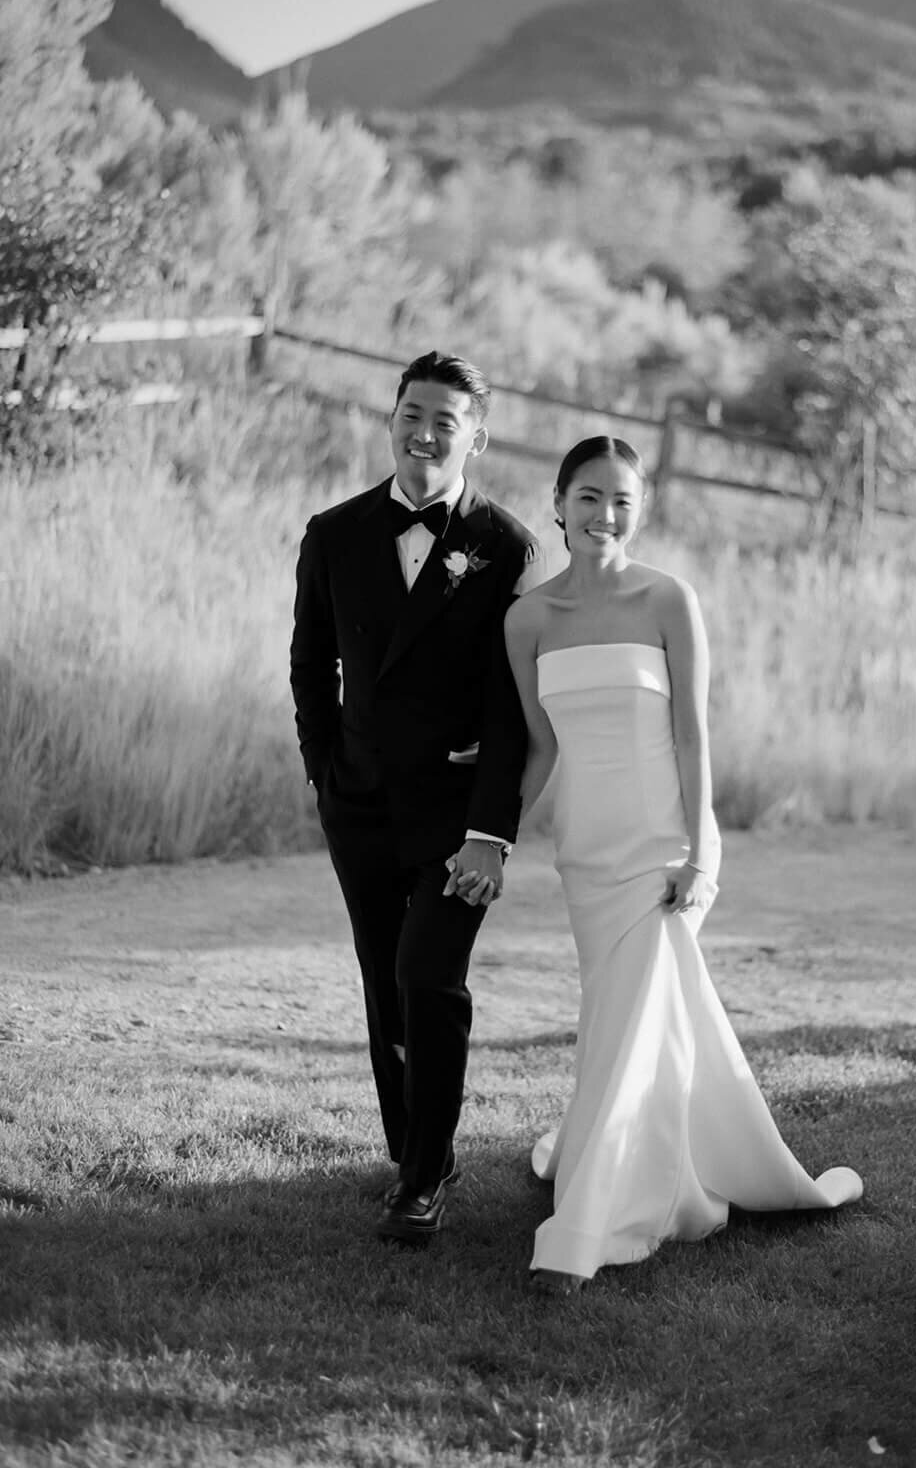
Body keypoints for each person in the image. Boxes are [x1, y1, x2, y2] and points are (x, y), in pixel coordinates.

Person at [503, 436, 863, 1292]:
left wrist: (700, 850)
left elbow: (695, 735)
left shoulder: (669, 599)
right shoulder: (527, 620)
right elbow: (541, 745)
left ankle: (585, 1230)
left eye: (624, 501)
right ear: (559, 502)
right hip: (586, 852)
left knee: (636, 1019)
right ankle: (659, 1169)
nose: (605, 515)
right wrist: (497, 836)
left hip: (668, 840)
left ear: (642, 510)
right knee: (623, 1018)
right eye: (589, 498)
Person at [290, 351, 540, 1244]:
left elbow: (512, 708)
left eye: (446, 418)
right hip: (357, 806)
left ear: (478, 434)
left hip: (452, 816)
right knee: (382, 983)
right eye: (411, 411)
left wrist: (491, 831)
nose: (424, 431)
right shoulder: (334, 533)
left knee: (427, 976)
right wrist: (325, 772)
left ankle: (423, 1179)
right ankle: (415, 1152)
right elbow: (310, 667)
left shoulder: (505, 547)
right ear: (390, 416)